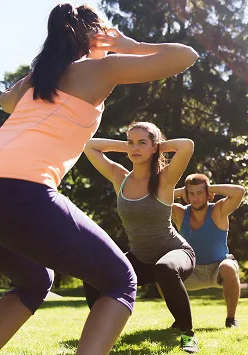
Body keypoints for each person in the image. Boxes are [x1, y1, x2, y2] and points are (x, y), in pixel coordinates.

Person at [0, 3, 197, 354]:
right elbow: (184, 56)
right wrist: (128, 45)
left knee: (34, 280)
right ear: (95, 35)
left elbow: (7, 101)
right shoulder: (98, 68)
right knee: (120, 281)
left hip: (12, 190)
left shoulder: (36, 81)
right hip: (23, 189)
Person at [83, 122, 200, 352]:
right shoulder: (120, 177)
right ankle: (103, 331)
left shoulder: (165, 179)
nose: (135, 148)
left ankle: (188, 334)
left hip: (176, 253)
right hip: (141, 258)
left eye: (141, 143)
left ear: (154, 147)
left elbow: (187, 145)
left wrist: (156, 146)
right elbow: (88, 145)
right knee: (92, 274)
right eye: (131, 142)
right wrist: (127, 146)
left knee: (164, 268)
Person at [171, 174, 244, 328]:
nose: (195, 198)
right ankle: (180, 320)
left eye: (200, 193)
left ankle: (231, 320)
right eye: (191, 194)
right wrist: (180, 192)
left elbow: (239, 191)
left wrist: (210, 188)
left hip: (219, 268)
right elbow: (156, 201)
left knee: (229, 267)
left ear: (208, 195)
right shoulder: (180, 213)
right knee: (163, 272)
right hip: (193, 271)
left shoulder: (219, 210)